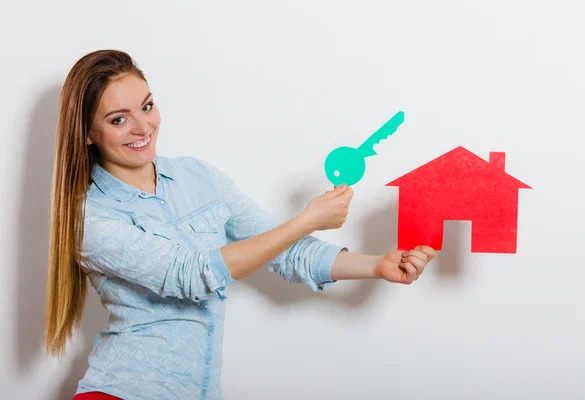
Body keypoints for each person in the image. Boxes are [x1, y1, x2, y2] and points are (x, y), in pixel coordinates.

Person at [44, 49, 435, 400]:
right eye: (118, 119)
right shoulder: (89, 217)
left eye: (147, 107)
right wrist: (306, 220)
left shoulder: (198, 176)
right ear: (88, 134)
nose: (143, 128)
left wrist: (377, 266)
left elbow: (285, 251)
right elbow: (193, 275)